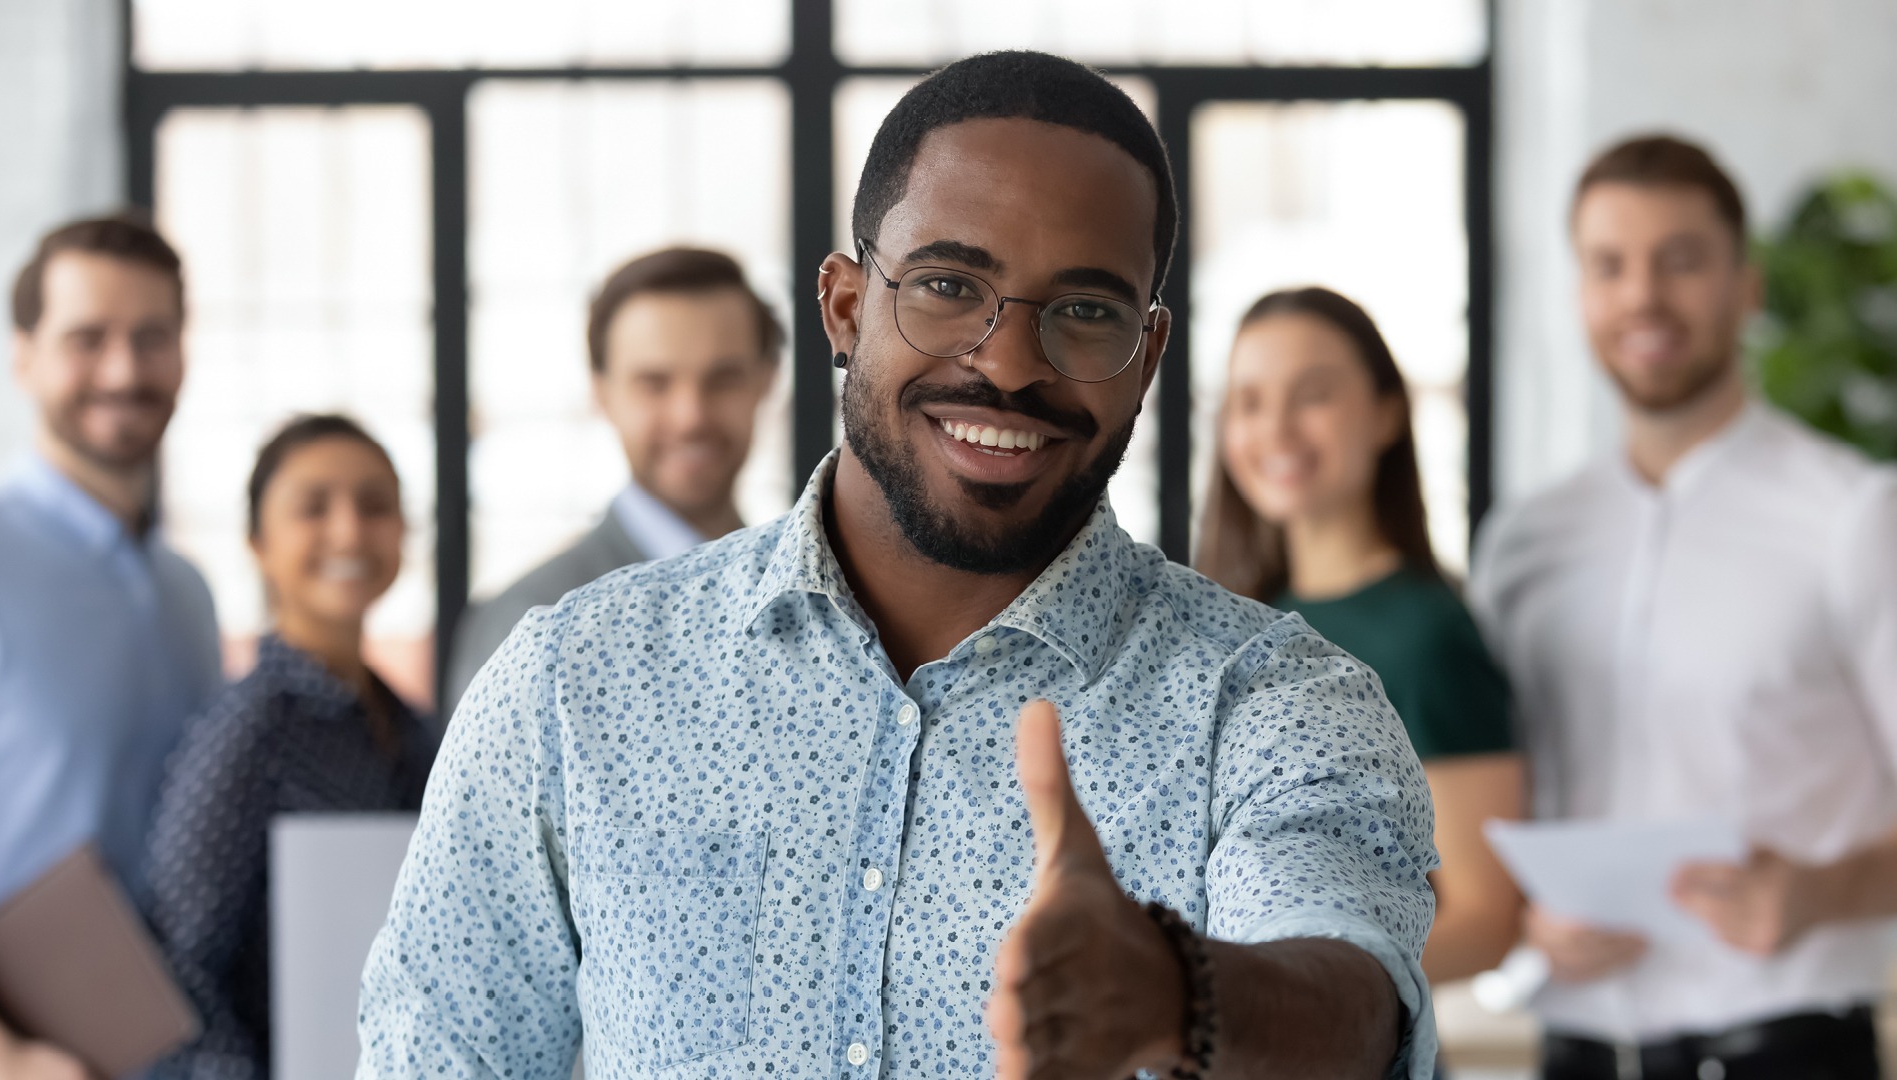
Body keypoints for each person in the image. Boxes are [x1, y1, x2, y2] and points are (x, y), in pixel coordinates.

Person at [359, 51, 1440, 1080]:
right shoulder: (572, 682)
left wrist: (1180, 995)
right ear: (844, 306)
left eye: (1085, 312)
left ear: (1148, 356)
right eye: (946, 287)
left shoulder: (1275, 701)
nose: (1008, 364)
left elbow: (1353, 1004)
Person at [1470, 134, 1897, 1080]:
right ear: (1579, 291)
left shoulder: (1853, 516)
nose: (1643, 298)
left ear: (1746, 287)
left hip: (1788, 1053)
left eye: (1681, 261)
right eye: (1608, 265)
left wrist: (1823, 894)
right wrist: (1521, 912)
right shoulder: (1524, 542)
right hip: (1577, 1051)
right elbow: (1493, 802)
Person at [1195, 285, 1524, 986]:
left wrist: (1282, 990)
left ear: (1385, 415)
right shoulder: (1236, 630)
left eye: (1311, 394)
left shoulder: (1426, 637)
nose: (1276, 429)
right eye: (1249, 402)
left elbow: (1487, 920)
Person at [0, 216, 223, 1080]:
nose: (123, 371)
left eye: (150, 338)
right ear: (24, 355)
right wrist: (0, 1059)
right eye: (87, 339)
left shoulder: (187, 592)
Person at [144, 414, 439, 1080]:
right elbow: (178, 974)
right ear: (258, 541)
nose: (349, 531)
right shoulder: (246, 733)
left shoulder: (416, 727)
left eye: (375, 505)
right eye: (313, 508)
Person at [442, 247, 781, 714]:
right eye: (654, 383)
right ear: (601, 394)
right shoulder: (531, 624)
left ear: (767, 380)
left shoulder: (812, 600)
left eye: (723, 379)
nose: (691, 417)